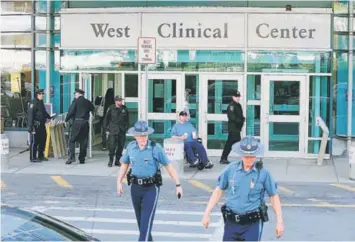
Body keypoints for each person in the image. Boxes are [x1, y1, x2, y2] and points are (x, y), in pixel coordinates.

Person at [202, 136, 284, 241]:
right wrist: (207, 213)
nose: (249, 159)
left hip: (252, 224)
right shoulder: (231, 169)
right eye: (246, 156)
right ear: (241, 155)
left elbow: (273, 196)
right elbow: (218, 191)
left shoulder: (264, 173)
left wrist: (279, 221)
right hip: (232, 222)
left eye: (252, 156)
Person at [117, 120, 183, 241]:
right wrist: (119, 181)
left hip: (151, 189)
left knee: (145, 227)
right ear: (135, 136)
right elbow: (124, 164)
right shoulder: (131, 147)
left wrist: (178, 185)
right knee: (142, 226)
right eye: (140, 136)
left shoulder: (155, 148)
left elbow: (169, 166)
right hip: (135, 188)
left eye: (145, 136)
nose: (143, 139)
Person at [65, 88, 94, 164]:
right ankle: (82, 159)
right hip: (85, 123)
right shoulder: (87, 102)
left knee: (72, 140)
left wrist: (66, 119)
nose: (75, 96)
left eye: (75, 94)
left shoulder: (75, 101)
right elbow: (93, 109)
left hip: (77, 122)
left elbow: (71, 111)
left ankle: (72, 157)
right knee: (83, 141)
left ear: (78, 94)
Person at [27, 89, 55, 162]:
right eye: (41, 94)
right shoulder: (33, 103)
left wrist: (49, 117)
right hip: (35, 125)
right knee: (35, 142)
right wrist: (31, 127)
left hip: (42, 125)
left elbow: (43, 112)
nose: (42, 95)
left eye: (43, 94)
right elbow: (30, 116)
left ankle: (40, 156)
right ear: (37, 95)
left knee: (43, 140)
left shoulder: (41, 102)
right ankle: (33, 157)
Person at [220, 90, 245, 165]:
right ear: (233, 97)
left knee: (230, 143)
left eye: (238, 96)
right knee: (237, 143)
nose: (238, 98)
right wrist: (240, 120)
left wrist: (242, 119)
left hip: (237, 128)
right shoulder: (231, 106)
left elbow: (240, 115)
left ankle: (223, 158)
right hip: (233, 128)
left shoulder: (238, 105)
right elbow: (232, 117)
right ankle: (245, 159)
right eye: (236, 96)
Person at [103, 95, 129, 167]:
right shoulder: (111, 108)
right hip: (113, 130)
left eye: (121, 100)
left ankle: (117, 161)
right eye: (119, 100)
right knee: (112, 146)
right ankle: (111, 160)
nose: (120, 102)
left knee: (120, 146)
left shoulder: (124, 108)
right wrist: (106, 129)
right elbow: (106, 119)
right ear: (116, 101)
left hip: (121, 130)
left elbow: (127, 119)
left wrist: (126, 128)